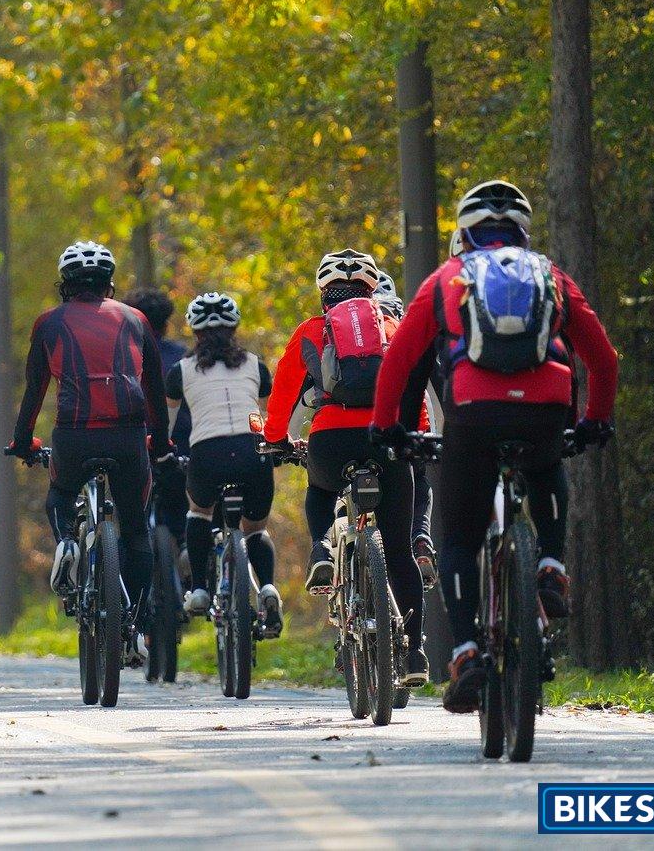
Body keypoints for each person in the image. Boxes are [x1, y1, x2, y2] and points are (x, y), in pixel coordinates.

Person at [371, 179, 618, 713]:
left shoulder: (448, 278)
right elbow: (602, 358)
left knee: (458, 535)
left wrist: (386, 426)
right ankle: (550, 565)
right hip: (546, 406)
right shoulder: (550, 275)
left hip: (473, 411)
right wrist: (595, 419)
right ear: (522, 232)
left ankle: (463, 653)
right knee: (548, 467)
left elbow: (401, 361)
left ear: (465, 231)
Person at [263, 249, 433, 683]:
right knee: (397, 554)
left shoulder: (310, 331)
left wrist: (275, 441)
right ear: (371, 290)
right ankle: (414, 654)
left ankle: (322, 548)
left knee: (320, 491)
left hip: (330, 439)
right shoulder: (392, 327)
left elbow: (282, 397)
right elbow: (415, 391)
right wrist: (415, 436)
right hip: (387, 438)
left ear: (323, 293)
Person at [9, 241, 170, 625]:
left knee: (60, 496)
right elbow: (154, 389)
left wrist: (21, 441)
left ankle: (67, 541)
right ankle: (132, 623)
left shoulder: (49, 322)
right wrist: (160, 440)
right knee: (134, 530)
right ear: (109, 282)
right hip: (128, 435)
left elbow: (35, 390)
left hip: (74, 436)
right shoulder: (136, 320)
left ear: (64, 283)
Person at [165, 293, 281, 635]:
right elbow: (267, 414)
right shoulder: (255, 364)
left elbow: (168, 429)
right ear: (234, 327)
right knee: (256, 528)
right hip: (252, 452)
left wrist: (162, 453)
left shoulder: (180, 370)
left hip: (207, 456)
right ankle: (269, 587)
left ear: (194, 330)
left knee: (199, 512)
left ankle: (199, 588)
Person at [374, 271, 438, 589]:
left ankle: (334, 554)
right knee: (420, 485)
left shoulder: (338, 332)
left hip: (356, 432)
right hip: (408, 431)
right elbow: (432, 392)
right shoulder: (405, 329)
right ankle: (421, 538)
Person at [122, 288, 190, 552]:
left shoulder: (125, 355)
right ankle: (185, 549)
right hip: (181, 442)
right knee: (182, 507)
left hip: (136, 442)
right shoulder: (182, 355)